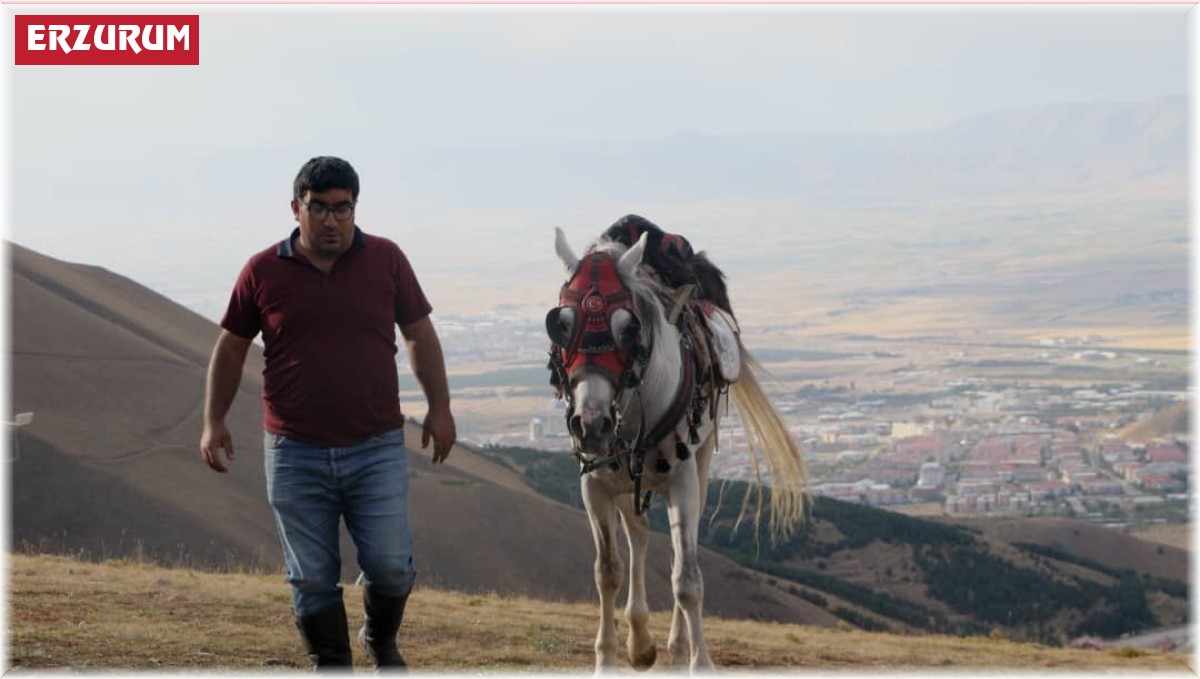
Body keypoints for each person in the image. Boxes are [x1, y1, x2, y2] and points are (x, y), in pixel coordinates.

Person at [199, 156, 456, 671]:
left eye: (343, 208)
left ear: (356, 208)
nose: (331, 220)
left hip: (376, 446)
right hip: (294, 451)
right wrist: (214, 420)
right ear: (296, 208)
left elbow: (418, 333)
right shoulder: (262, 270)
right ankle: (331, 663)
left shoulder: (386, 259)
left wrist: (440, 408)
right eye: (318, 208)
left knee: (390, 565)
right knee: (312, 577)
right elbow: (231, 346)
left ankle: (380, 640)